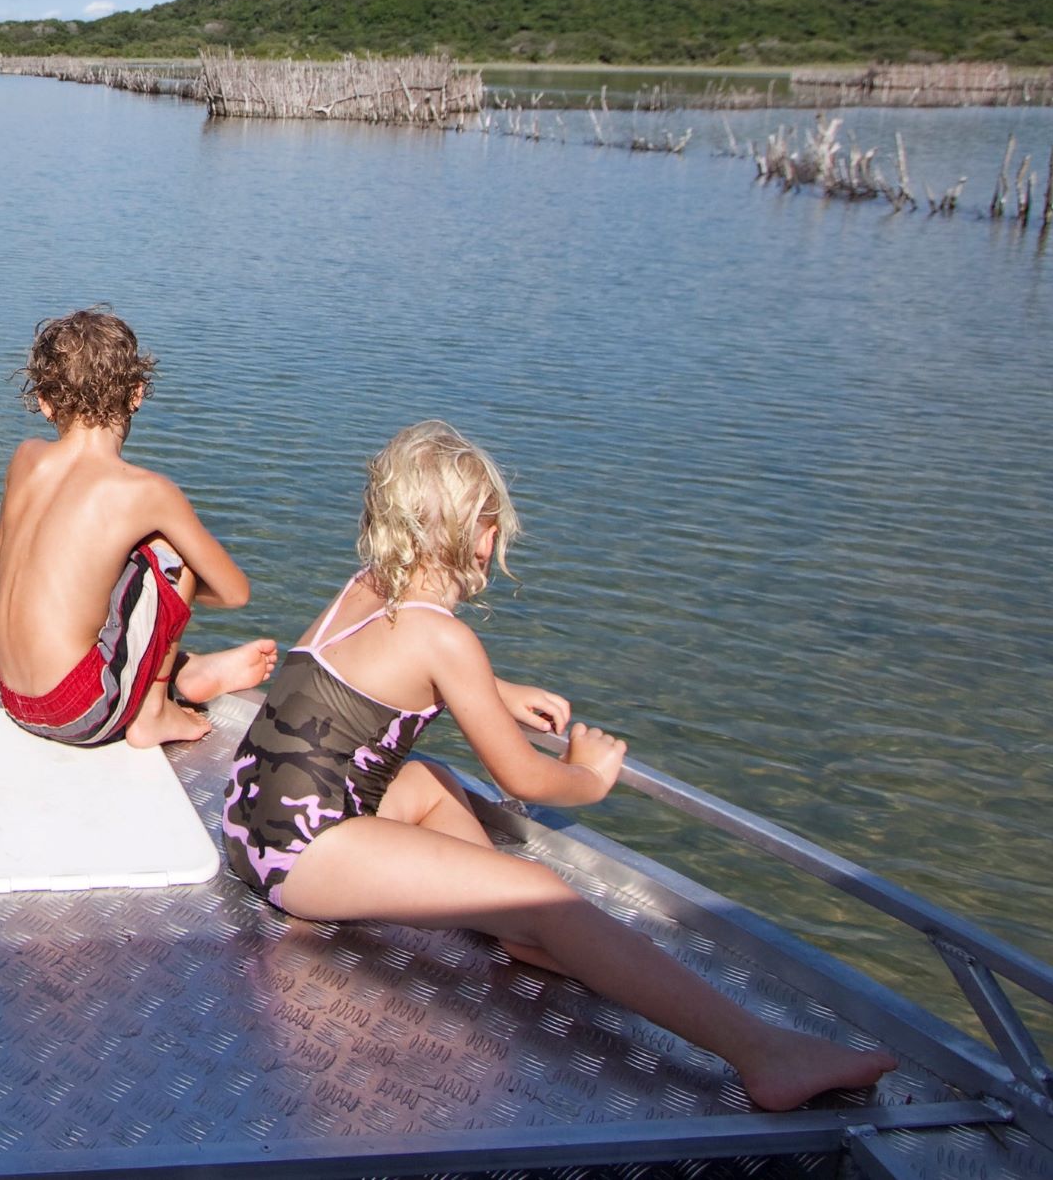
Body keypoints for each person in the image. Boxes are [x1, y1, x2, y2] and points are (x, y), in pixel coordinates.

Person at [219, 422, 896, 1111]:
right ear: (476, 531)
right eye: (490, 526)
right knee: (545, 892)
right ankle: (766, 1053)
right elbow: (526, 779)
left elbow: (369, 677)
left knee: (430, 782)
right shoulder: (443, 637)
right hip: (301, 855)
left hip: (247, 823)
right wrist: (590, 774)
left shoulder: (362, 589)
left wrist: (495, 693)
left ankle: (505, 919)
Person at [0, 308, 277, 748]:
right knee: (169, 556)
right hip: (78, 712)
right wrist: (173, 591)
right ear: (137, 393)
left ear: (44, 401)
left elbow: (1, 555)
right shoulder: (146, 492)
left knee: (83, 558)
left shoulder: (26, 458)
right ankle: (154, 713)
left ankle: (189, 670)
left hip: (14, 697)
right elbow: (235, 593)